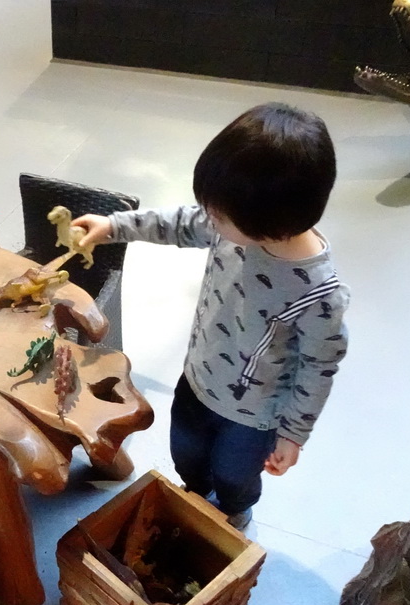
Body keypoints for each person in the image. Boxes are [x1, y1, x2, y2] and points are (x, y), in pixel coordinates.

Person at [73, 102, 348, 530]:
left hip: (253, 413)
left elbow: (319, 368)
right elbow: (180, 222)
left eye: (218, 214)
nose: (209, 218)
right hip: (198, 377)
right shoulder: (234, 225)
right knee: (188, 453)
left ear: (270, 223)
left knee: (235, 475)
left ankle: (235, 511)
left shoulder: (318, 294)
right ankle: (196, 496)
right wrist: (114, 226)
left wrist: (294, 434)